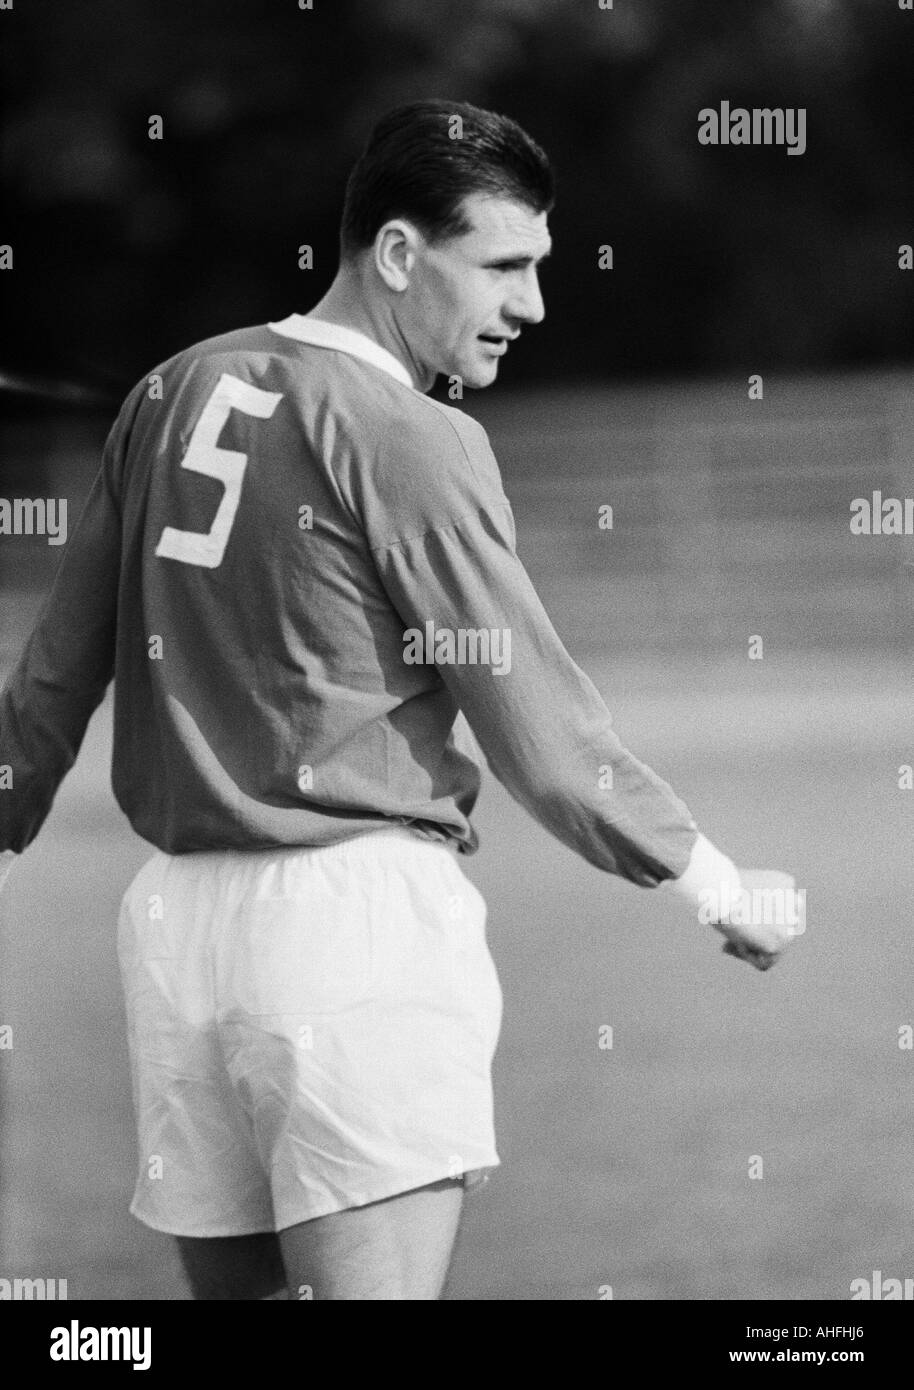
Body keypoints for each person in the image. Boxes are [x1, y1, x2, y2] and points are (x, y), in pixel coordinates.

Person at [0, 99, 802, 1301]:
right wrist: (714, 883)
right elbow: (534, 725)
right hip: (350, 930)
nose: (530, 303)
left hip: (172, 939)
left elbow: (52, 681)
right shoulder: (412, 434)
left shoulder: (167, 392)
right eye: (504, 266)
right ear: (394, 254)